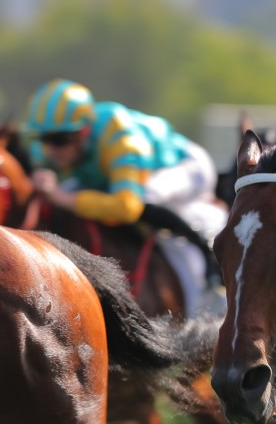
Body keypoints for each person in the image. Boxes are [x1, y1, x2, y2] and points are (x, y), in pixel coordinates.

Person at [23, 78, 227, 314]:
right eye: (44, 139)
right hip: (120, 175)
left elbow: (127, 207)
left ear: (85, 131)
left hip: (187, 166)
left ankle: (208, 259)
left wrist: (62, 198)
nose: (51, 150)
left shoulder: (121, 139)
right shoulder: (52, 146)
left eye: (60, 140)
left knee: (146, 197)